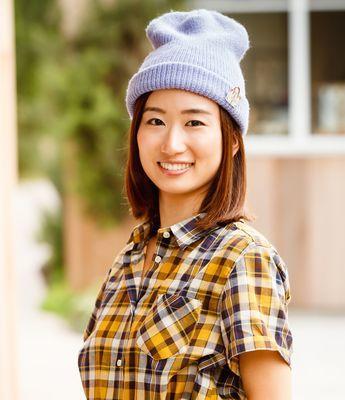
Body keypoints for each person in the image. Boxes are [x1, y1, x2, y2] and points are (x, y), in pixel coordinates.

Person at [77, 9, 293, 399]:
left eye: (194, 122)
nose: (171, 143)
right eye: (155, 121)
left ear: (231, 141)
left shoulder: (243, 259)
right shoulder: (129, 259)